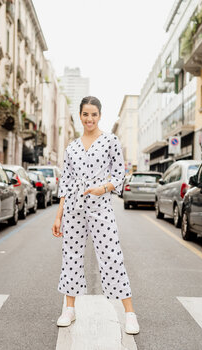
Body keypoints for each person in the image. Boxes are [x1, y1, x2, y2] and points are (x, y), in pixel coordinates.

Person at [52, 96, 140, 335]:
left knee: (112, 257)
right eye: (85, 114)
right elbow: (66, 183)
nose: (89, 119)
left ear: (100, 115)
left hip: (101, 208)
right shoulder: (71, 147)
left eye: (93, 114)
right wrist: (59, 214)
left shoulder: (110, 141)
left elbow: (119, 174)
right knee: (71, 257)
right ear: (80, 116)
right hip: (73, 210)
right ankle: (69, 309)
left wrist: (104, 188)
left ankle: (129, 313)